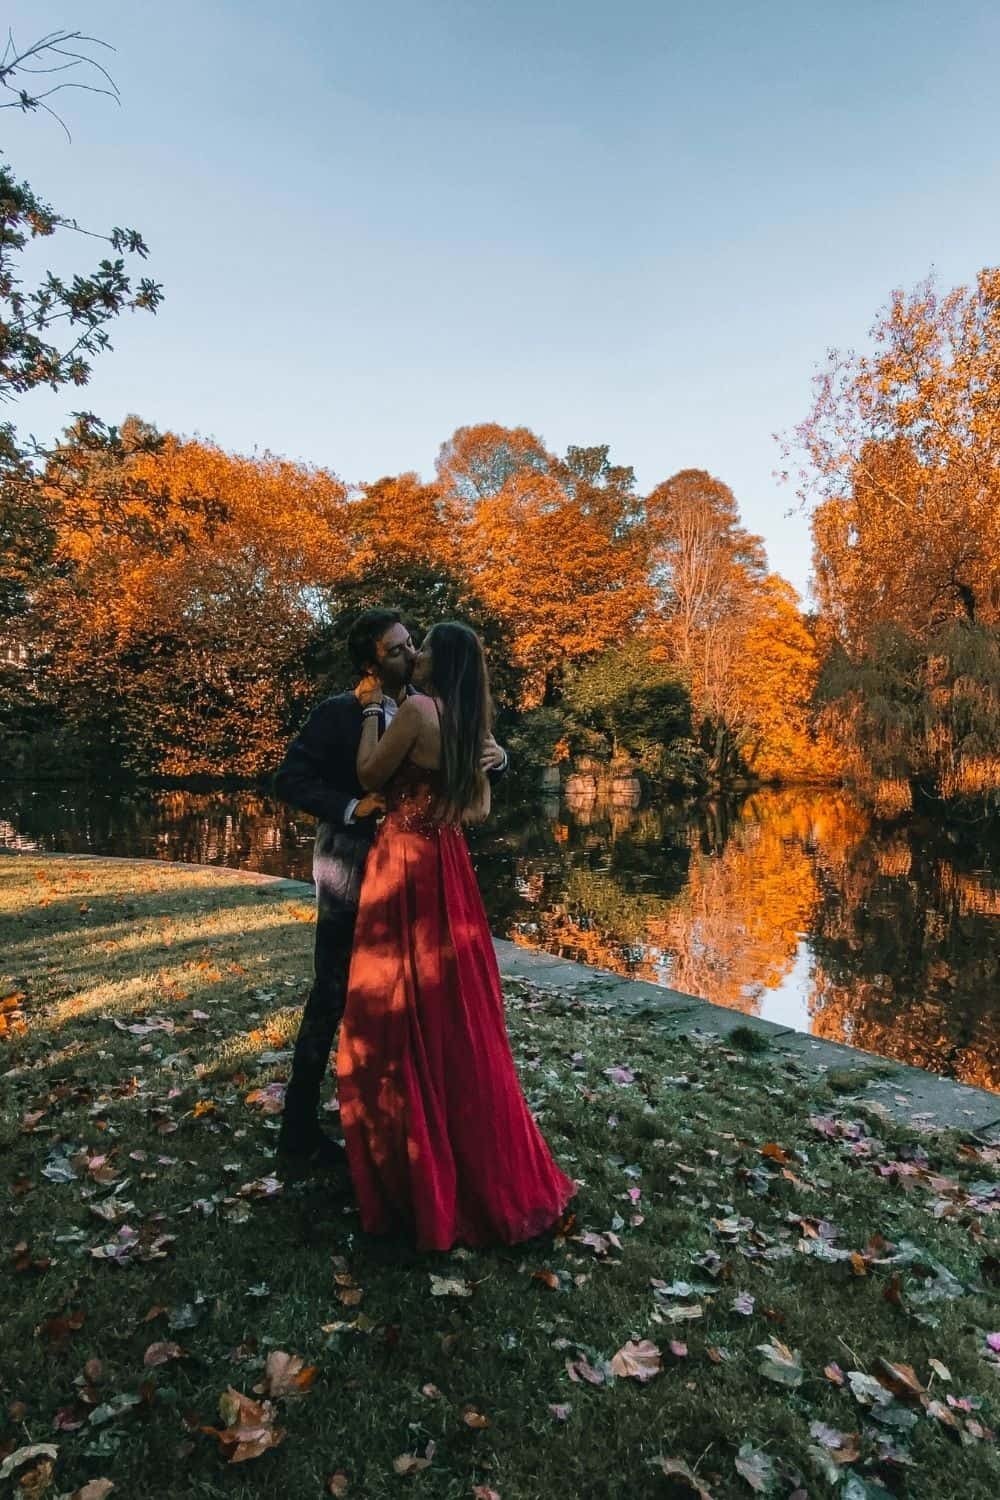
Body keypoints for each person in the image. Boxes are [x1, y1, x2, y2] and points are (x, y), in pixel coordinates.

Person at [336, 621, 576, 1249]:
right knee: (453, 1005)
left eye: (424, 650)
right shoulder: (471, 722)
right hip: (451, 863)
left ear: (437, 665)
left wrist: (370, 712)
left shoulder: (413, 710)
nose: (414, 655)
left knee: (397, 996)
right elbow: (479, 809)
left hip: (406, 863)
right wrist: (491, 762)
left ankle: (413, 1164)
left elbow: (368, 775)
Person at [272, 608, 507, 1167]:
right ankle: (299, 1128)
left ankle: (397, 1124)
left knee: (412, 997)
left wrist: (500, 760)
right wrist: (353, 807)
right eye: (397, 648)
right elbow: (289, 779)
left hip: (412, 872)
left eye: (412, 645)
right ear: (371, 659)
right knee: (333, 993)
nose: (409, 655)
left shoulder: (432, 708)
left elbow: (469, 764)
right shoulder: (338, 713)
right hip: (351, 866)